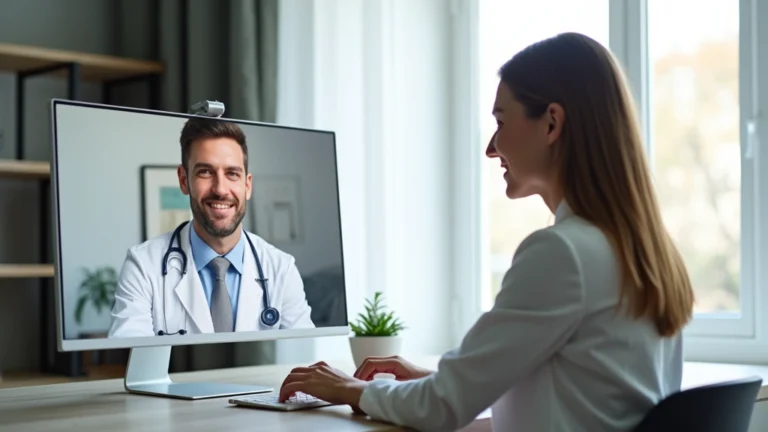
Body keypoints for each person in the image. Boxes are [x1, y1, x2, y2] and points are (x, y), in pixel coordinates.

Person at [276, 32, 695, 431]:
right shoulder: (648, 254)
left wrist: (351, 389)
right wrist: (440, 379)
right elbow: (568, 390)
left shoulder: (563, 254)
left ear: (551, 123)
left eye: (501, 120)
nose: (491, 147)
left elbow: (443, 408)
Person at [109, 117, 315, 338]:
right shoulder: (143, 266)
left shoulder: (281, 268)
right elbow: (131, 356)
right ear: (183, 180)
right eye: (205, 172)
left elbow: (306, 361)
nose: (220, 189)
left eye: (232, 174)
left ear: (247, 185)